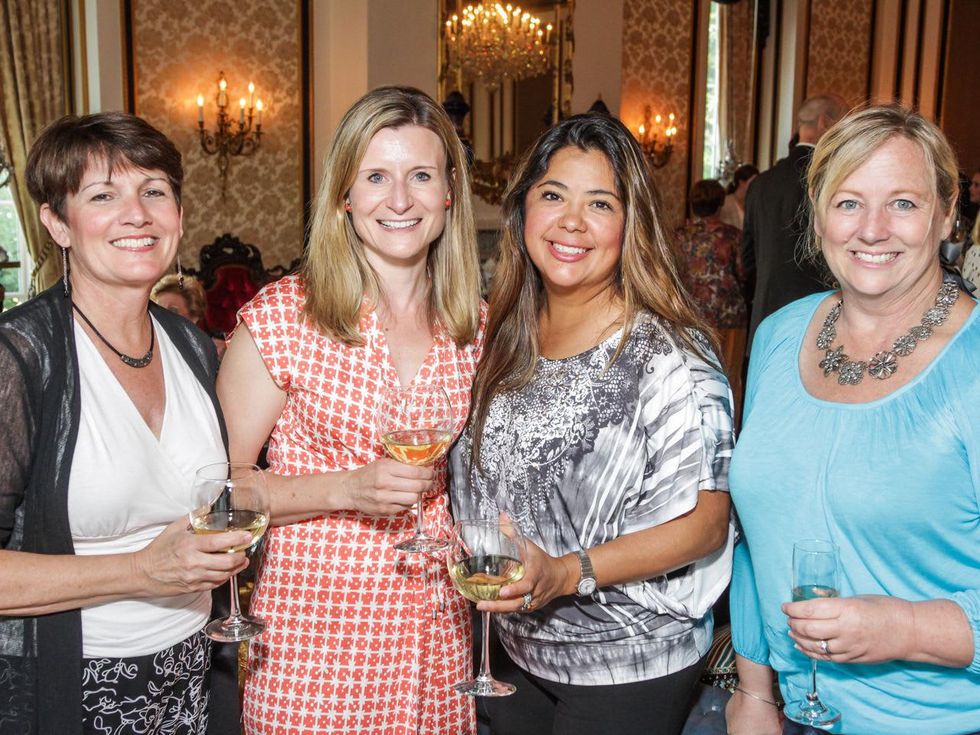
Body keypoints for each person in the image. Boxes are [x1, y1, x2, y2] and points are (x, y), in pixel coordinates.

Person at [449, 113, 735, 735]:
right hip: (512, 648)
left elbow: (708, 524)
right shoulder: (503, 337)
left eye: (599, 203)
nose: (571, 221)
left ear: (632, 226)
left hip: (625, 663)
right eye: (553, 195)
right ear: (523, 209)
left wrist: (566, 571)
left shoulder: (670, 357)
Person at [216, 86, 485, 735]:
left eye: (421, 175)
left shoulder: (477, 325)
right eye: (375, 177)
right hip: (315, 643)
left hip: (435, 637)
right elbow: (220, 488)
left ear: (449, 193)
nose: (399, 199)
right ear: (344, 194)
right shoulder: (285, 316)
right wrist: (348, 488)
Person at [727, 105, 980, 735]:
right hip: (792, 709)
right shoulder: (783, 334)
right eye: (848, 203)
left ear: (947, 213)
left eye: (902, 203)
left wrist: (904, 628)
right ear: (817, 216)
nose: (872, 229)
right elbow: (758, 539)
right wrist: (755, 692)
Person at [0, 112, 250, 734]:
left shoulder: (192, 345)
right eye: (103, 195)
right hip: (73, 683)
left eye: (154, 191)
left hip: (192, 669)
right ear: (57, 222)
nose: (136, 213)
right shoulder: (19, 357)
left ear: (178, 215)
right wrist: (141, 571)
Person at [742, 95, 848, 345]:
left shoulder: (760, 183)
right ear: (824, 122)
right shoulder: (830, 181)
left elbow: (747, 260)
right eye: (843, 124)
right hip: (816, 321)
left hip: (764, 321)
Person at [677, 178, 749, 424]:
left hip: (689, 317)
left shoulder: (679, 236)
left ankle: (693, 427)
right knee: (729, 379)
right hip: (729, 316)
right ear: (720, 204)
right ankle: (728, 431)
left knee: (692, 376)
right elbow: (744, 274)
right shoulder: (732, 236)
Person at [152, 273, 227, 359]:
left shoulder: (211, 353)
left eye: (172, 311)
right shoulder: (146, 351)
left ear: (194, 317)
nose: (162, 317)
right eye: (158, 310)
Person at [718, 164, 758, 231]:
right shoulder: (726, 203)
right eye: (753, 182)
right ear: (741, 182)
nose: (756, 186)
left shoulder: (755, 204)